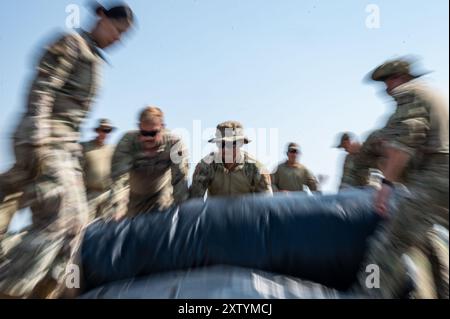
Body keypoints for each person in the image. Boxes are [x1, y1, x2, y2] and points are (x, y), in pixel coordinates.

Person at [0, 3, 134, 299]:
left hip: (64, 146)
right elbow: (42, 88)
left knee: (75, 227)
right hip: (45, 140)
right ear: (101, 17)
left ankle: (43, 292)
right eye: (118, 30)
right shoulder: (71, 43)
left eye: (125, 36)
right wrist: (39, 140)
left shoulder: (93, 58)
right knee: (61, 224)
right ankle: (9, 288)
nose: (119, 39)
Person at [355, 58, 449, 298]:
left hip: (436, 177)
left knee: (391, 244)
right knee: (430, 244)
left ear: (398, 79)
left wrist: (385, 185)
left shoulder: (410, 93)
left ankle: (370, 295)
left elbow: (407, 137)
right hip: (439, 179)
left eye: (387, 82)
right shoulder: (434, 94)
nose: (386, 90)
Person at [108, 106, 189, 218]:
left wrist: (183, 209)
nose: (148, 138)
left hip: (161, 194)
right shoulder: (127, 142)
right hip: (133, 198)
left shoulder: (174, 144)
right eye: (144, 133)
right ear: (139, 128)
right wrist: (117, 210)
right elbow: (120, 180)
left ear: (162, 128)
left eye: (153, 133)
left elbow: (180, 179)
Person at [190, 121, 272, 198]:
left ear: (241, 143)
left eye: (230, 145)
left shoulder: (256, 168)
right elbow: (195, 200)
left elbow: (266, 203)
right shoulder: (206, 165)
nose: (225, 149)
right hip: (215, 213)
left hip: (247, 212)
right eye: (221, 144)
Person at [81, 119, 116, 221]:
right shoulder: (85, 147)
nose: (104, 133)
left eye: (107, 131)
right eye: (102, 130)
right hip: (90, 195)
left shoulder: (112, 149)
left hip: (108, 194)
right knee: (85, 225)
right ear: (97, 131)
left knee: (106, 226)